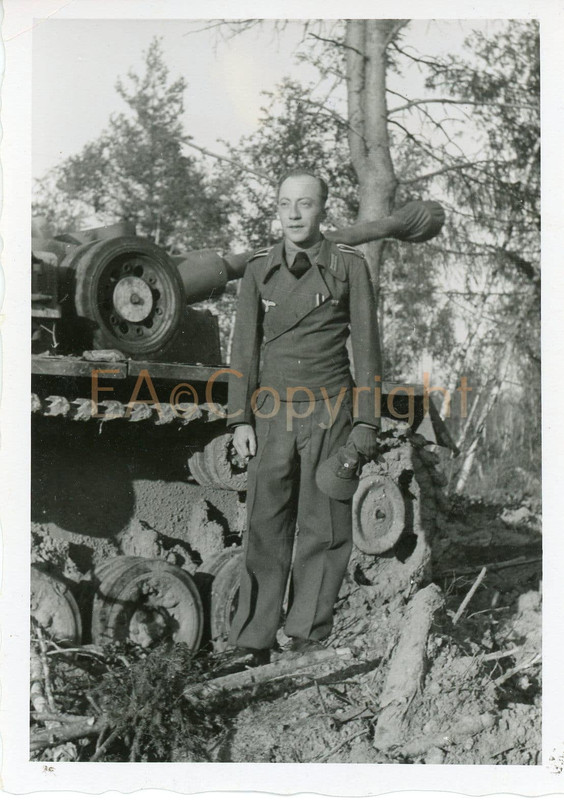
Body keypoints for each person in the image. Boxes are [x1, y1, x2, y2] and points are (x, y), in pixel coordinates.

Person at [225, 168, 382, 669]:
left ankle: (309, 637)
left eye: (305, 204)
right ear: (276, 209)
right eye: (285, 203)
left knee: (325, 528)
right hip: (271, 416)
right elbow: (243, 351)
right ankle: (254, 640)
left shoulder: (349, 268)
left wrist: (366, 424)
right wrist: (240, 419)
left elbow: (368, 352)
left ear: (322, 210)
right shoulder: (258, 270)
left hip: (330, 415)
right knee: (265, 527)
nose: (294, 214)